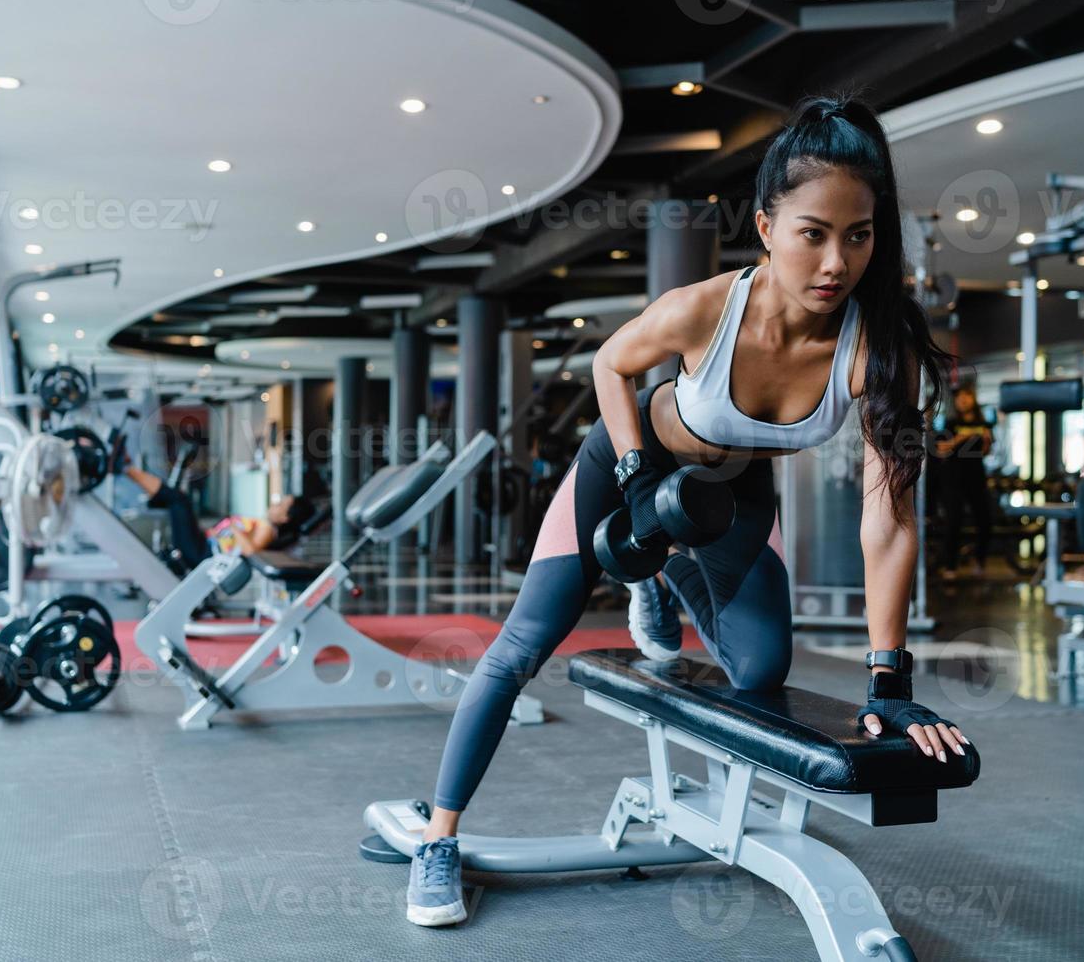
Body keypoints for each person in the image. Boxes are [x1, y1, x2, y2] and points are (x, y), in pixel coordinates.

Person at [404, 92, 973, 928]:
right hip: (628, 471)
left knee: (760, 671)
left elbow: (888, 519)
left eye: (858, 235)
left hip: (730, 495)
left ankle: (665, 578)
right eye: (813, 232)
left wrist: (888, 680)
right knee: (525, 644)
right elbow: (609, 365)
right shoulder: (706, 309)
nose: (835, 262)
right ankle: (440, 838)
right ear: (767, 224)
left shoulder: (877, 347)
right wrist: (635, 474)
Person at [116, 444, 316, 570]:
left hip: (200, 554)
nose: (275, 504)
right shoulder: (266, 527)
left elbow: (249, 550)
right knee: (176, 500)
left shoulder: (267, 529)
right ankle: (127, 468)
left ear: (285, 518)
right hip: (202, 546)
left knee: (179, 500)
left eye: (281, 504)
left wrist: (234, 527)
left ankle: (126, 468)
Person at [937, 384, 995, 579]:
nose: (962, 400)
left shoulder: (984, 423)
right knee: (953, 521)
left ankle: (980, 560)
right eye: (959, 397)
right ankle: (950, 566)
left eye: (966, 396)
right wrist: (960, 438)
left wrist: (986, 442)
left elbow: (986, 452)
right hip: (953, 478)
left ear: (973, 399)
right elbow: (941, 449)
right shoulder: (950, 424)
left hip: (976, 477)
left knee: (985, 521)